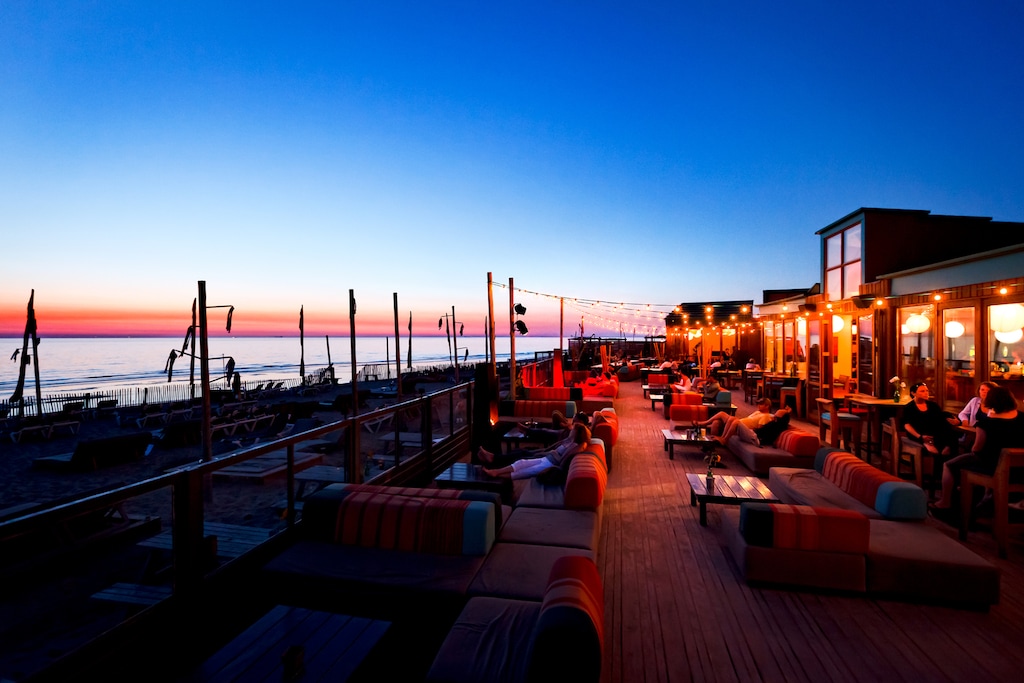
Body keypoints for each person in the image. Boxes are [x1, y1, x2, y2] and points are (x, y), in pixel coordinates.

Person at [929, 386, 1024, 518]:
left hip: (991, 466)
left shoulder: (985, 424)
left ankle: (945, 503)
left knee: (949, 465)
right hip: (1019, 470)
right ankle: (986, 499)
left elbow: (977, 449)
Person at [477, 412, 590, 466]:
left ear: (581, 423)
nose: (573, 422)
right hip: (550, 451)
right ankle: (494, 459)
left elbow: (560, 457)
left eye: (575, 421)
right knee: (521, 451)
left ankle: (493, 459)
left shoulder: (577, 436)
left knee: (522, 454)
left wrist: (568, 428)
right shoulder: (575, 435)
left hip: (548, 457)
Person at [483, 423, 591, 480]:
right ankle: (496, 471)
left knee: (525, 471)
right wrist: (552, 452)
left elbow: (562, 461)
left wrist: (553, 453)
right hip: (547, 457)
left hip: (550, 463)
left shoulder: (574, 446)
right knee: (521, 462)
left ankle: (495, 474)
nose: (571, 430)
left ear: (576, 433)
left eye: (573, 430)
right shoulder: (568, 440)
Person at [899, 383, 959, 473]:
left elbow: (942, 417)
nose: (926, 393)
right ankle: (936, 475)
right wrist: (920, 437)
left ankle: (948, 472)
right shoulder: (909, 407)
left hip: (933, 433)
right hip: (918, 434)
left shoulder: (933, 405)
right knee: (937, 449)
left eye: (927, 391)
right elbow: (907, 425)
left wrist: (955, 420)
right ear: (913, 393)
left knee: (949, 436)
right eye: (922, 391)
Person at [698, 398, 773, 444]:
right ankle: (706, 426)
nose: (758, 406)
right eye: (758, 404)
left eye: (761, 404)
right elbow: (748, 419)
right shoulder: (758, 412)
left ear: (767, 406)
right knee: (720, 416)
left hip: (744, 429)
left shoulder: (766, 416)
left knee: (733, 420)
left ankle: (724, 439)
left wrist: (747, 428)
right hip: (737, 424)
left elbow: (760, 430)